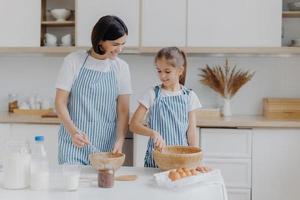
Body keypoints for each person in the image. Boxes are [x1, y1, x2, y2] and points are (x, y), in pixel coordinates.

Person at [55, 15, 132, 165]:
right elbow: (60, 102)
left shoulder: (121, 67)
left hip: (105, 148)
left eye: (123, 44)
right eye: (115, 44)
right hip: (73, 144)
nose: (120, 49)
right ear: (100, 41)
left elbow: (123, 110)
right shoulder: (73, 61)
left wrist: (120, 140)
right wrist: (73, 132)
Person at [130, 47, 209, 170]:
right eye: (159, 71)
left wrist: (197, 160)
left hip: (182, 161)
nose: (162, 76)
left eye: (167, 71)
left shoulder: (189, 96)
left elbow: (191, 132)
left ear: (180, 71)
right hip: (156, 161)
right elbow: (133, 124)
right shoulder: (152, 94)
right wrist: (153, 133)